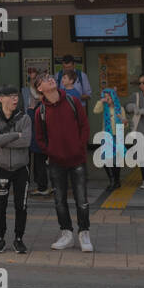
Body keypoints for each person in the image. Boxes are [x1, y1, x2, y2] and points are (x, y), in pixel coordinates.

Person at [33, 71, 93, 252]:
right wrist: (51, 152)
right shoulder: (40, 111)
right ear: (39, 89)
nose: (50, 79)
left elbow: (84, 126)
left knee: (81, 199)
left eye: (50, 77)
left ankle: (84, 233)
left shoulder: (72, 101)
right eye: (44, 79)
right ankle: (66, 234)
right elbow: (40, 139)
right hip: (56, 162)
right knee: (59, 200)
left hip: (77, 159)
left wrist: (80, 147)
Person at [0, 85, 31, 254]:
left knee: (22, 205)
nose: (15, 99)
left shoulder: (25, 118)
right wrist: (15, 135)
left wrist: (3, 138)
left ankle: (19, 239)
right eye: (10, 96)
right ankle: (0, 239)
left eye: (16, 96)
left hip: (21, 169)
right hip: (2, 168)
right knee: (0, 206)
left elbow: (26, 141)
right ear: (0, 99)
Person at [92, 86, 126, 191]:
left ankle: (117, 180)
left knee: (117, 160)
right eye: (105, 97)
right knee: (106, 159)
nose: (107, 99)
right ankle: (112, 180)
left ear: (114, 97)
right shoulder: (104, 107)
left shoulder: (120, 108)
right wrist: (101, 101)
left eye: (109, 97)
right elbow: (95, 111)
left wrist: (124, 121)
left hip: (118, 135)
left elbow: (125, 123)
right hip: (106, 135)